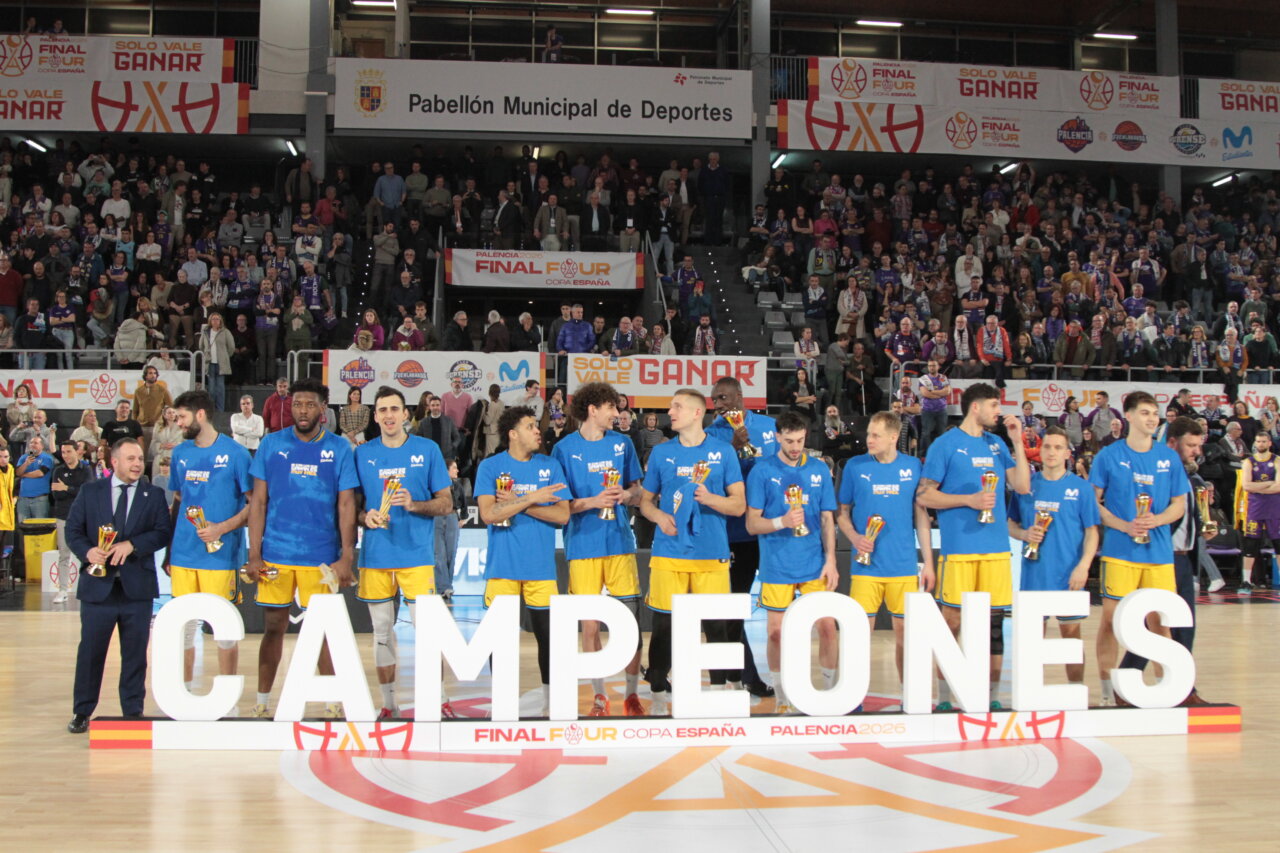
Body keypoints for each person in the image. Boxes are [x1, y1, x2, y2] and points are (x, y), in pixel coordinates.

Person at [245, 378, 359, 718]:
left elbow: (346, 505)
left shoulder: (339, 448)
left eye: (310, 404)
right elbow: (259, 503)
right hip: (276, 554)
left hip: (320, 556)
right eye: (297, 404)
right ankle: (262, 702)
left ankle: (332, 701)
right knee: (273, 627)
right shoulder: (270, 444)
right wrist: (254, 554)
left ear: (323, 409)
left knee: (322, 631)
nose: (303, 410)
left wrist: (346, 555)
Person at [917, 382, 1030, 710]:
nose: (999, 411)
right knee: (951, 622)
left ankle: (992, 697)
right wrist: (968, 499)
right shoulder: (946, 444)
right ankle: (945, 697)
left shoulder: (998, 444)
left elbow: (1021, 485)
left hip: (996, 548)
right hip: (960, 549)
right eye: (994, 405)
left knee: (994, 626)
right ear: (975, 408)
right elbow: (924, 495)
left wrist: (1018, 442)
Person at [639, 389, 745, 715]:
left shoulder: (723, 452)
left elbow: (738, 505)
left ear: (697, 413)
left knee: (715, 627)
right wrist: (660, 517)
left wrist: (708, 498)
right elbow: (645, 502)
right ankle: (658, 693)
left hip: (711, 553)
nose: (670, 411)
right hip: (669, 552)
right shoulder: (661, 453)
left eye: (677, 406)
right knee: (663, 626)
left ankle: (717, 693)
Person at [356, 386, 453, 720]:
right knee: (382, 633)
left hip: (416, 556)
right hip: (376, 557)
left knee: (429, 632)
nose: (388, 416)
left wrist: (414, 504)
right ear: (375, 416)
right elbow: (353, 506)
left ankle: (438, 700)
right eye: (382, 410)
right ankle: (389, 703)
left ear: (407, 413)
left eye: (394, 409)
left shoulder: (427, 451)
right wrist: (364, 517)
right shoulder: (363, 454)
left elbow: (446, 503)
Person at [550, 382, 646, 717]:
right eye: (611, 408)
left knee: (629, 623)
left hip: (619, 541)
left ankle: (632, 694)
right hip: (582, 544)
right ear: (593, 409)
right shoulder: (563, 450)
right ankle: (600, 695)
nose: (617, 414)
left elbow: (638, 493)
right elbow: (561, 506)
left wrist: (626, 496)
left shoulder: (623, 444)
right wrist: (593, 501)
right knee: (589, 626)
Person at [1089, 391, 1190, 707]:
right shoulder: (1108, 456)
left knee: (1160, 622)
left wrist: (1156, 519)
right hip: (1120, 552)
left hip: (1159, 554)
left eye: (1154, 413)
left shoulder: (1168, 458)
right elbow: (1093, 503)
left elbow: (1180, 505)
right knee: (1110, 619)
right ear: (1128, 416)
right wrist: (1123, 525)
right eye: (1145, 412)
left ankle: (1166, 690)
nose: (1151, 418)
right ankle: (1107, 692)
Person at [65, 438, 172, 733]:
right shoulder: (90, 492)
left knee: (136, 655)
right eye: (131, 459)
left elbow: (162, 532)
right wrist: (87, 552)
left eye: (140, 458)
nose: (138, 464)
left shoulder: (154, 494)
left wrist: (133, 544)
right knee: (90, 653)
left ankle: (132, 713)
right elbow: (73, 531)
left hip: (136, 590)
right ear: (114, 462)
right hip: (97, 589)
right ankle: (82, 712)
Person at [475, 406, 570, 718]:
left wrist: (520, 502)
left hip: (540, 568)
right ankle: (501, 702)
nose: (537, 430)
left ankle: (551, 703)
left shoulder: (550, 465)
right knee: (499, 641)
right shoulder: (490, 467)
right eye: (530, 426)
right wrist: (532, 497)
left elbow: (562, 515)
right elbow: (489, 514)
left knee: (549, 639)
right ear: (512, 434)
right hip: (502, 566)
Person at [838, 411, 935, 706]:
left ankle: (911, 696)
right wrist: (855, 538)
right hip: (865, 567)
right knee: (858, 634)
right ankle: (852, 698)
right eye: (868, 434)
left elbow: (921, 517)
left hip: (903, 565)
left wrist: (928, 562)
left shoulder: (913, 467)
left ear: (894, 437)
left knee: (906, 635)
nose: (869, 439)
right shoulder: (854, 467)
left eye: (876, 435)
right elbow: (842, 513)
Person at [745, 411, 839, 714]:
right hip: (777, 563)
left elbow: (827, 518)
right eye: (789, 441)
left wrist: (832, 561)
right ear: (777, 437)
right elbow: (751, 525)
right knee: (775, 632)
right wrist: (781, 521)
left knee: (827, 626)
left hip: (814, 563)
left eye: (800, 440)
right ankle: (783, 697)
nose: (796, 446)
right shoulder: (761, 471)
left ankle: (830, 691)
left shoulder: (819, 469)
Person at [1117, 416, 1212, 705]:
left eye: (1198, 445)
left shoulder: (1189, 476)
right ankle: (1166, 687)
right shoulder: (1159, 473)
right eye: (1190, 445)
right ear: (1172, 443)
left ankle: (1174, 686)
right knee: (1158, 626)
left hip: (1183, 558)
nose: (1196, 450)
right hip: (1162, 557)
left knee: (1180, 626)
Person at [167, 390, 252, 703]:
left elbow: (253, 506)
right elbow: (177, 503)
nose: (178, 423)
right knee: (185, 629)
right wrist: (167, 551)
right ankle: (184, 694)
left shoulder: (236, 454)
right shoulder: (180, 454)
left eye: (182, 417)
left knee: (224, 629)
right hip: (183, 554)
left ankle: (226, 697)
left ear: (199, 414)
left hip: (221, 556)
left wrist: (221, 528)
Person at [1007, 426, 1101, 688]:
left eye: (1058, 447)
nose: (1051, 452)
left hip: (1067, 575)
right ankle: (1029, 694)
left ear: (1068, 453)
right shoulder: (1026, 486)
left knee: (1071, 638)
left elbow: (1092, 532)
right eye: (1047, 446)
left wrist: (1084, 566)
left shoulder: (1081, 488)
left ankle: (1076, 692)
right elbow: (1009, 524)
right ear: (1040, 450)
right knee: (1031, 641)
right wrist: (1024, 534)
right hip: (1034, 575)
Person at [705, 375, 779, 697]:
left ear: (739, 395)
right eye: (714, 400)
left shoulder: (769, 426)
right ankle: (744, 675)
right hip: (735, 535)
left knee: (782, 609)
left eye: (722, 398)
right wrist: (731, 450)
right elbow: (709, 482)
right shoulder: (711, 435)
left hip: (772, 531)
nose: (718, 405)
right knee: (733, 608)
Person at [49, 440, 92, 605]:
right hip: (63, 516)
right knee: (64, 555)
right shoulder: (58, 470)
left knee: (85, 554)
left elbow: (87, 492)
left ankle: (86, 588)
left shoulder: (86, 469)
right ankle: (62, 590)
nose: (65, 455)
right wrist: (73, 490)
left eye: (68, 451)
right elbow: (56, 495)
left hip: (83, 518)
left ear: (77, 451)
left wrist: (66, 488)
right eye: (63, 452)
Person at [1237, 429, 1280, 592]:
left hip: (1275, 509)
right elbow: (1246, 486)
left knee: (1278, 544)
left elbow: (1279, 486)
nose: (1260, 444)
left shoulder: (1277, 460)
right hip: (1255, 509)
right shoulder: (1248, 462)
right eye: (1258, 441)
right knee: (1250, 545)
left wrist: (1258, 487)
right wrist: (1269, 484)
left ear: (1269, 443)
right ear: (1255, 443)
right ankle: (1246, 581)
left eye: (1264, 441)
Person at [434, 458, 464, 604]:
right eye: (454, 468)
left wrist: (462, 518)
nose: (457, 471)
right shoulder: (434, 484)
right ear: (446, 471)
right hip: (436, 517)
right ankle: (442, 587)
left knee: (451, 554)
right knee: (439, 554)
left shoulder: (457, 486)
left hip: (452, 517)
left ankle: (447, 586)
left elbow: (463, 504)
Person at [133, 365, 172, 454]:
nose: (153, 375)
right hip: (142, 427)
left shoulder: (163, 390)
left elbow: (172, 407)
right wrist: (134, 425)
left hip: (158, 427)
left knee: (159, 453)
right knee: (142, 453)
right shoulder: (138, 391)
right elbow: (135, 410)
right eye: (150, 373)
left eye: (154, 373)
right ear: (145, 376)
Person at [917, 358, 950, 456]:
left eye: (933, 365)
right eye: (930, 365)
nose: (931, 367)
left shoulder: (943, 378)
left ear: (938, 366)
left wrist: (933, 392)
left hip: (941, 409)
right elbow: (925, 393)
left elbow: (947, 391)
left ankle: (942, 454)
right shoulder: (923, 379)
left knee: (942, 433)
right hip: (927, 409)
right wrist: (940, 393)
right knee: (926, 433)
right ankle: (924, 455)